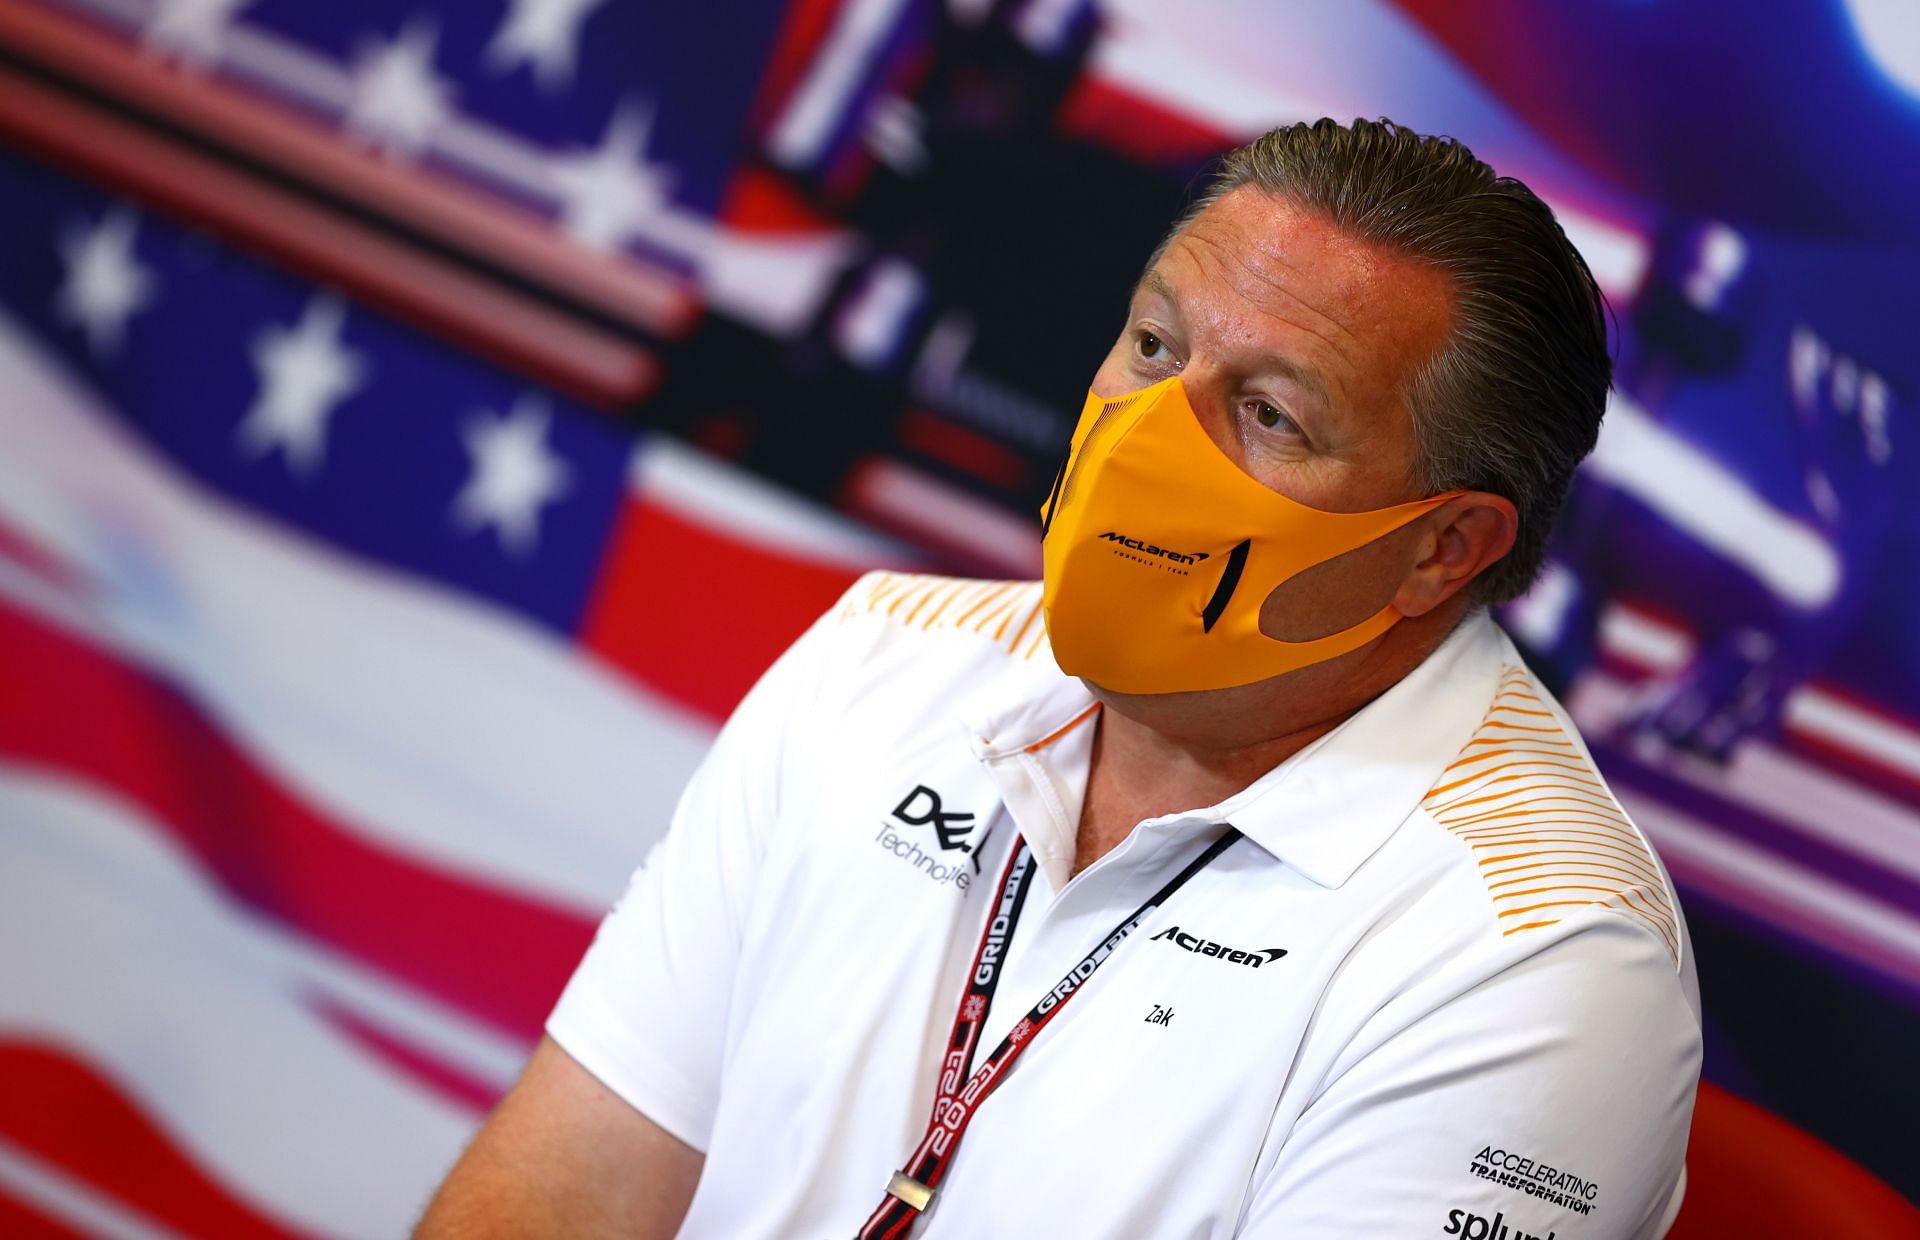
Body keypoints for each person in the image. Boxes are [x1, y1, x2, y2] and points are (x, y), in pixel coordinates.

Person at [416, 118, 1702, 1239]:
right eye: (1154, 347)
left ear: (1441, 547)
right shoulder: (887, 655)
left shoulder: (1536, 955)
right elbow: (562, 1193)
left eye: (1270, 415)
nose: (1149, 439)